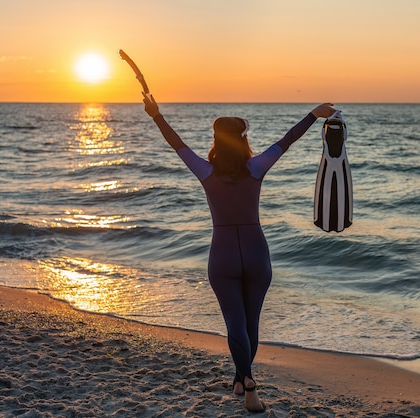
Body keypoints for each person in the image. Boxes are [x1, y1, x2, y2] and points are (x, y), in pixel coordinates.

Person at [142, 94, 336, 413]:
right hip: (256, 252)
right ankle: (244, 381)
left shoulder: (205, 171)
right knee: (251, 323)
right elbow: (287, 139)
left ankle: (245, 380)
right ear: (243, 139)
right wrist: (314, 115)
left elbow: (175, 143)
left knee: (235, 323)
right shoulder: (256, 166)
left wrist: (156, 115)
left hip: (223, 255)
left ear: (215, 140)